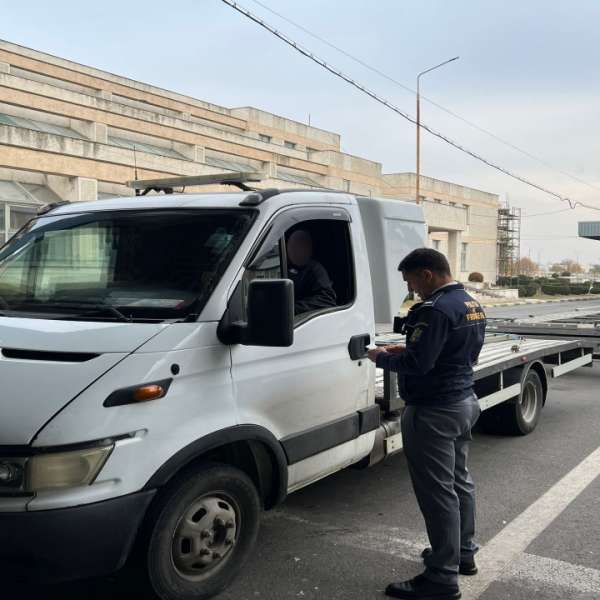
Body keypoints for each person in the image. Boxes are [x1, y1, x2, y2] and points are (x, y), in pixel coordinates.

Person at [367, 248, 486, 600]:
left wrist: (380, 358)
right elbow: (455, 353)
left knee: (438, 495)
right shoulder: (470, 303)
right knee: (459, 482)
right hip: (463, 402)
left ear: (427, 274)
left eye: (412, 282)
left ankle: (441, 577)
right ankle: (463, 553)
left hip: (434, 410)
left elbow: (419, 365)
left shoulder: (434, 309)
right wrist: (407, 352)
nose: (412, 290)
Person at [286, 229, 337, 315]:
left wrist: (290, 309)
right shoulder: (284, 266)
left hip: (303, 319)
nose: (296, 249)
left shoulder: (315, 269)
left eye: (301, 246)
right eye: (292, 246)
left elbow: (327, 300)